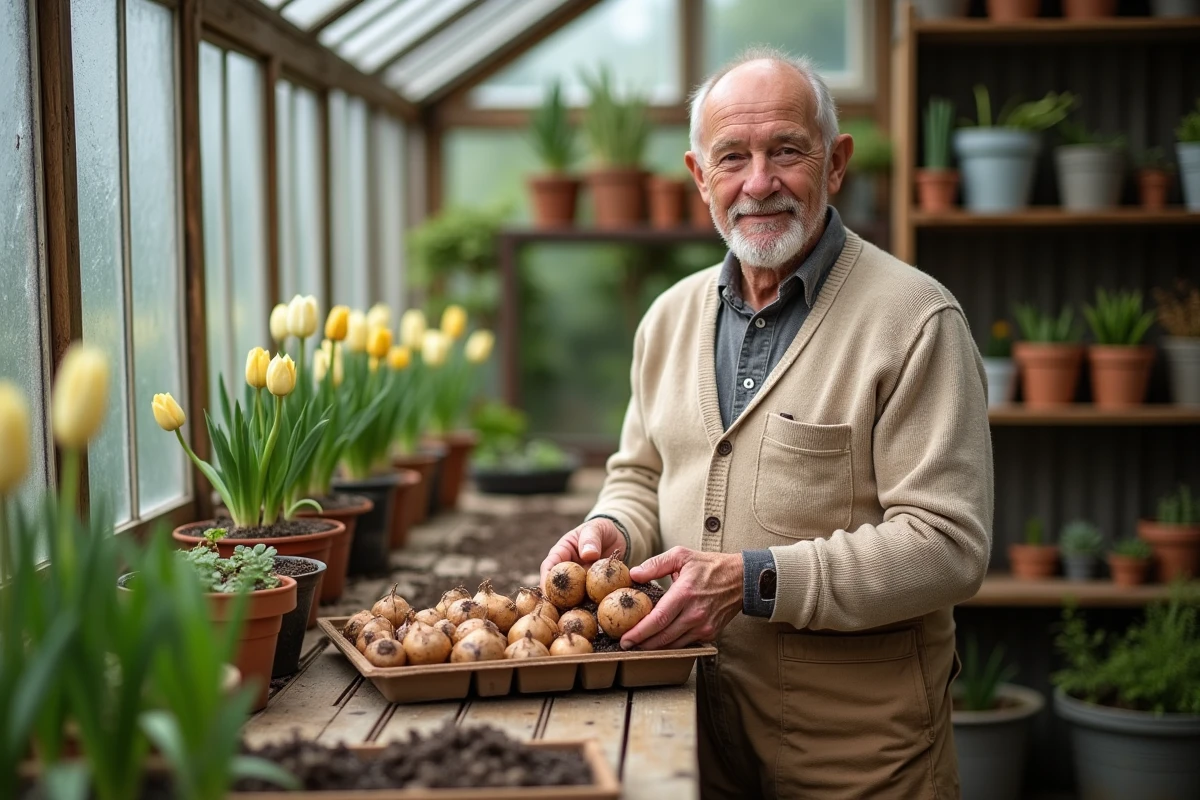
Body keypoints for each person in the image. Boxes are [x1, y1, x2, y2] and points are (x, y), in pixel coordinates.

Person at [540, 46, 993, 799]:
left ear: (836, 163)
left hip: (859, 754)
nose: (759, 183)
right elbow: (641, 474)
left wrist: (754, 580)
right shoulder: (668, 318)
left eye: (786, 150)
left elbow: (948, 545)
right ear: (698, 177)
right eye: (732, 157)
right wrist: (613, 528)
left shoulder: (915, 320)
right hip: (691, 726)